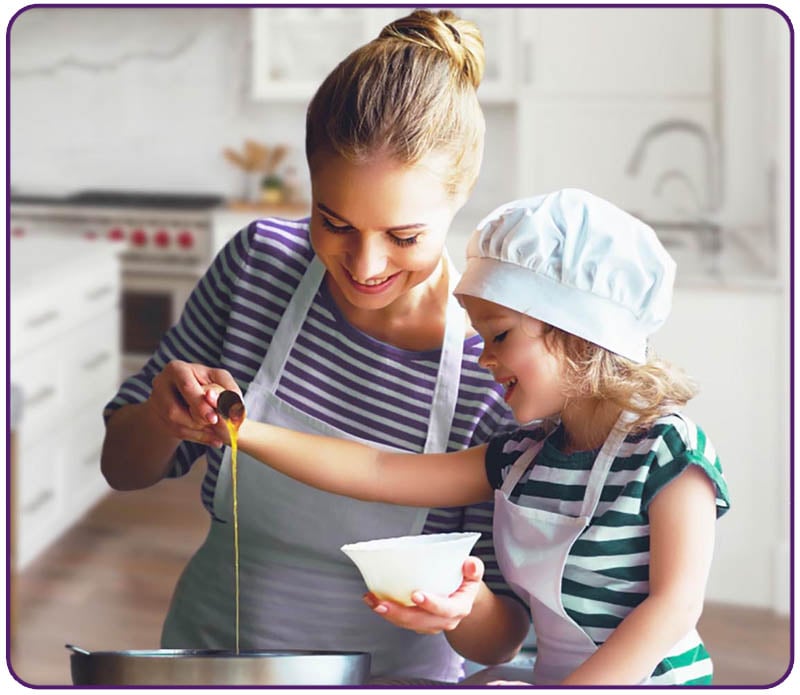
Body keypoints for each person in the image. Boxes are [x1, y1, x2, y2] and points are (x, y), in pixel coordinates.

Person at [100, 9, 528, 683]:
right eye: (334, 222)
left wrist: (458, 604)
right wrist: (161, 414)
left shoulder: (496, 359)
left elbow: (503, 636)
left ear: (461, 195)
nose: (364, 264)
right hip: (212, 661)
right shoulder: (258, 268)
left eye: (404, 237)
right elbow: (122, 468)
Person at [202, 189, 732, 686]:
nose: (484, 358)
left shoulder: (668, 450)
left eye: (499, 335)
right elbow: (377, 471)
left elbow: (675, 606)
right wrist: (241, 431)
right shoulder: (522, 458)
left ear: (577, 331)